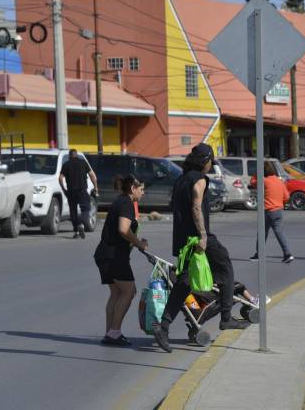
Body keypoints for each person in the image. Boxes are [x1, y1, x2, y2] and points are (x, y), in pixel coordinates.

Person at [152, 143, 246, 353]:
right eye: (211, 160)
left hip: (182, 239)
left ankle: (163, 326)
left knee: (184, 282)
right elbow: (196, 206)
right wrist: (203, 235)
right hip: (198, 237)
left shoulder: (181, 179)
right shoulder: (199, 180)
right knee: (225, 266)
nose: (212, 164)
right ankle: (226, 316)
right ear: (205, 161)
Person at [96, 175, 148, 346]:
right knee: (129, 291)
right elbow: (124, 230)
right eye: (141, 189)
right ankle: (114, 333)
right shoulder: (126, 203)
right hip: (114, 256)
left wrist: (137, 243)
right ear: (133, 188)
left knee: (116, 293)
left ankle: (110, 332)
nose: (143, 193)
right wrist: (139, 242)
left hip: (105, 254)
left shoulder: (121, 201)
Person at [250, 161, 294, 263]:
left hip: (268, 210)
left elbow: (252, 182)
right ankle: (287, 254)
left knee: (262, 233)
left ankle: (258, 255)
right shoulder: (279, 181)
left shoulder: (264, 181)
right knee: (279, 233)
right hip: (278, 210)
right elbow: (286, 197)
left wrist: (256, 173)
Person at [59, 149, 98, 239]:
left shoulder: (66, 164)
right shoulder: (83, 162)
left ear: (69, 156)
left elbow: (60, 178)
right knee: (85, 209)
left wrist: (64, 189)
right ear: (77, 155)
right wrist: (95, 187)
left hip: (71, 191)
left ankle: (76, 231)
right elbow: (92, 175)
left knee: (73, 212)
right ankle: (81, 223)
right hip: (82, 190)